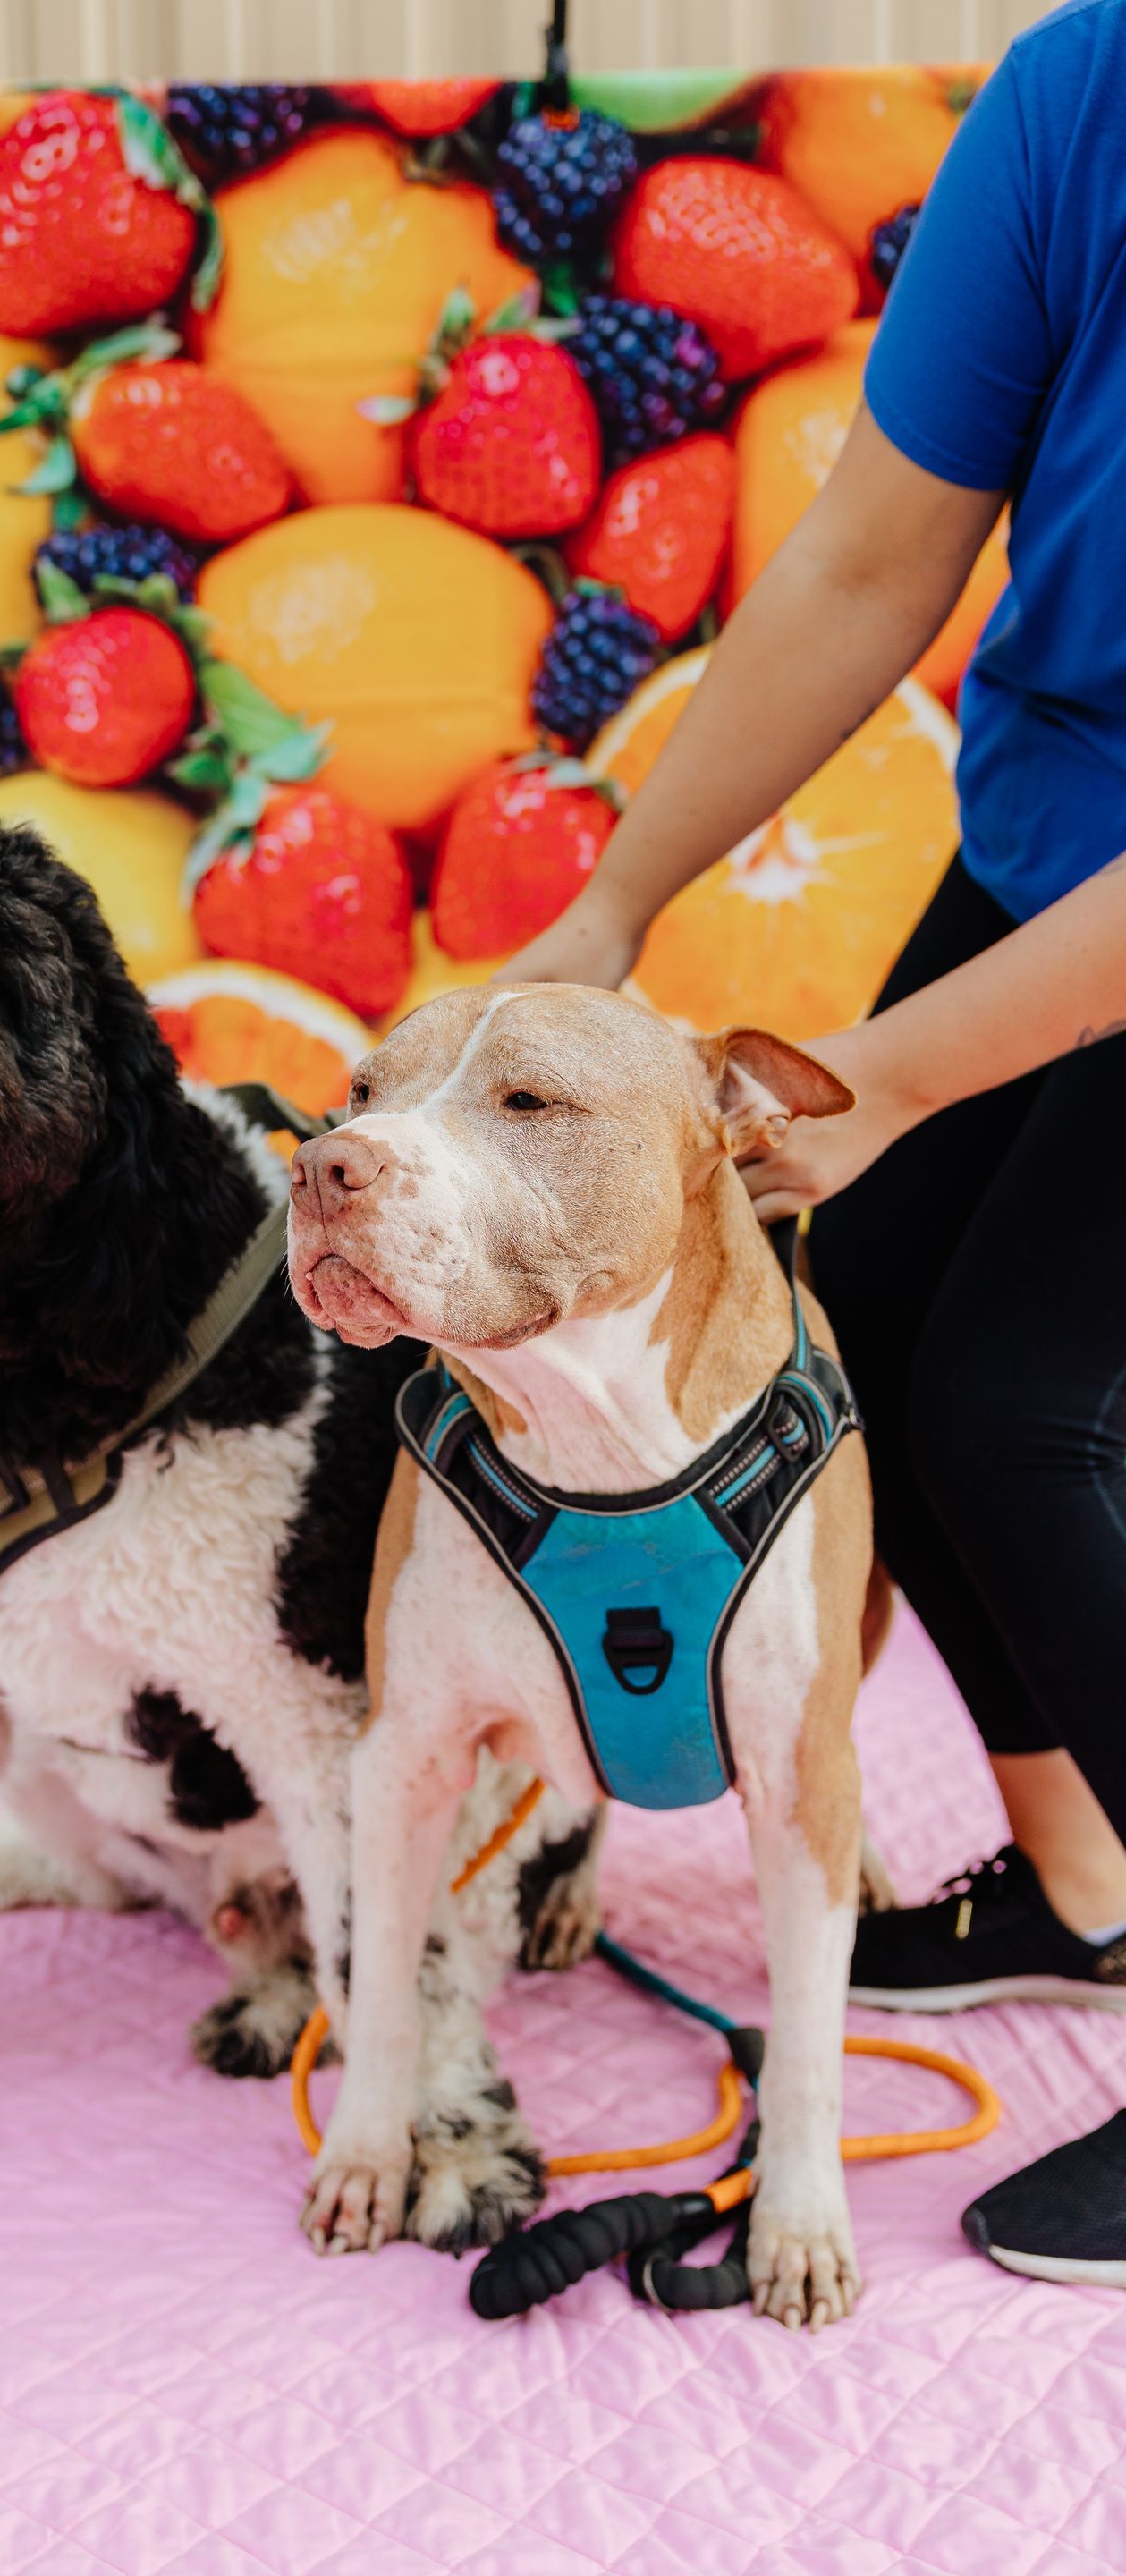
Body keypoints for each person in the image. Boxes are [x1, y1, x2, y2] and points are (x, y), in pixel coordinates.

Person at [506, 0, 1126, 2286]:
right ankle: (1088, 1891)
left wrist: (893, 1080)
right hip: (1057, 834)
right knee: (859, 1328)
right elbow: (873, 558)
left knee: (1027, 1410)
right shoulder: (1082, 97)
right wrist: (616, 901)